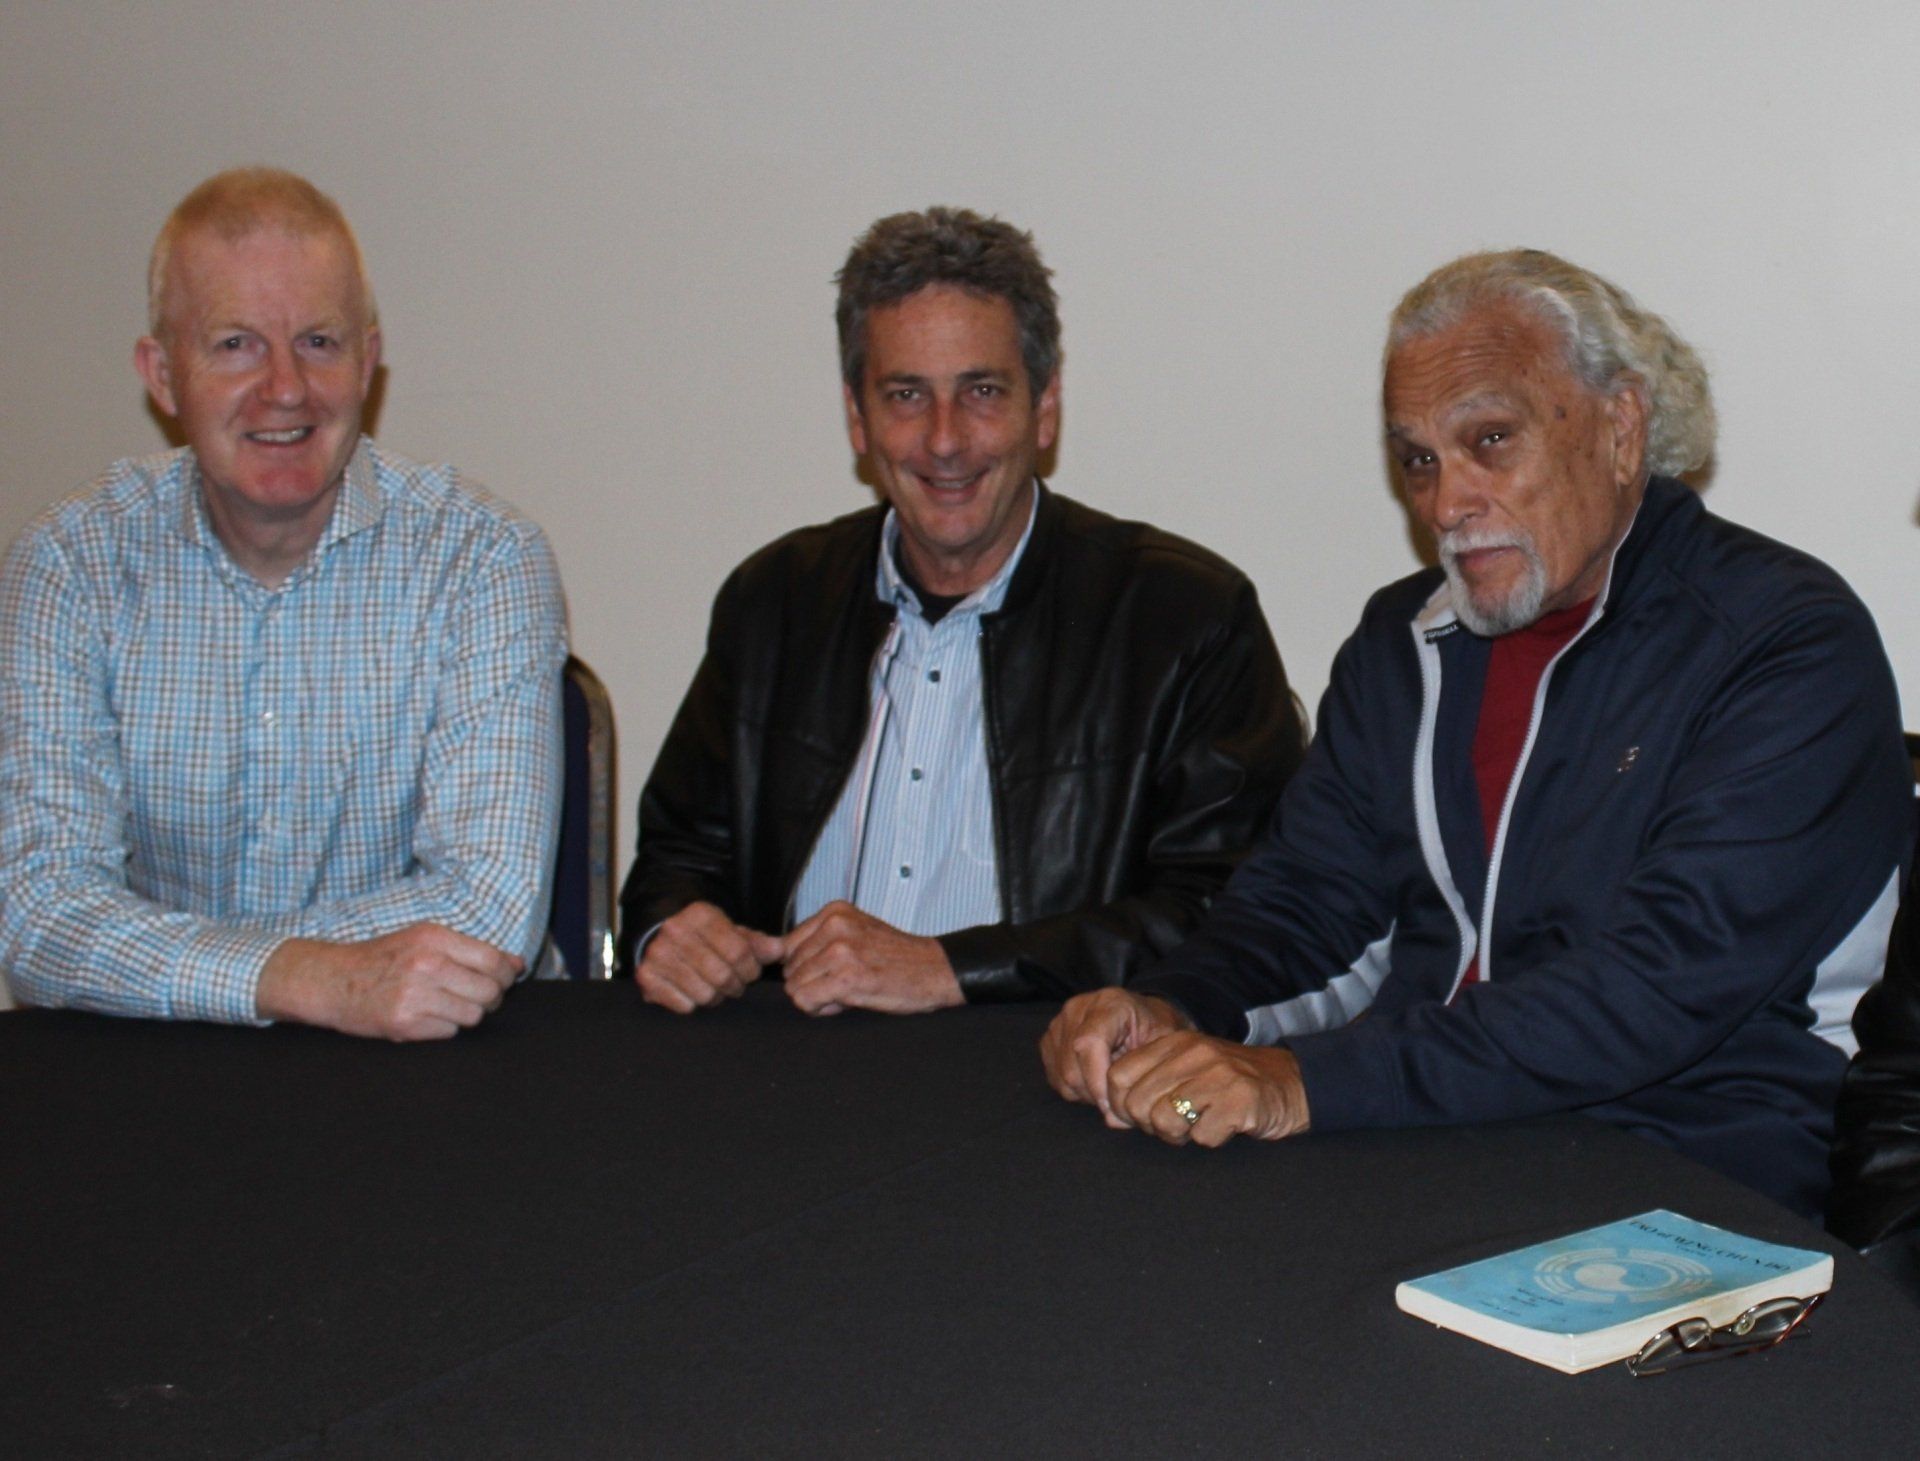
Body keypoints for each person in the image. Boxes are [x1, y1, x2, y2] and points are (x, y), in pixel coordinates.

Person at [1041, 248, 1910, 1217]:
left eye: (1490, 439)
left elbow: (1651, 992)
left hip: (1686, 1174)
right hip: (1417, 1144)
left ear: (1622, 429)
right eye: (1419, 458)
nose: (1447, 504)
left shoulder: (1783, 642)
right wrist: (1174, 1008)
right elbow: (1309, 908)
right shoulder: (1398, 641)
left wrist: (1302, 1085)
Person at [620, 206, 1302, 1016]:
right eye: (906, 394)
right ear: (856, 417)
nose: (945, 440)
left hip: (1048, 1078)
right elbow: (678, 854)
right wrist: (673, 930)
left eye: (981, 391)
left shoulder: (1187, 619)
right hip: (787, 1080)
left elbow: (1233, 912)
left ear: (1043, 407)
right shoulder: (772, 603)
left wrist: (954, 968)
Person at [0, 168, 567, 1040]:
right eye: (234, 344)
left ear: (368, 362)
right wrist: (303, 978)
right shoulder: (70, 565)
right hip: (154, 1075)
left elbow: (486, 908)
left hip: (434, 1074)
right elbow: (37, 913)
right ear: (161, 375)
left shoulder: (483, 560)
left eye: (318, 342)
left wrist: (171, 956)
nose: (286, 388)